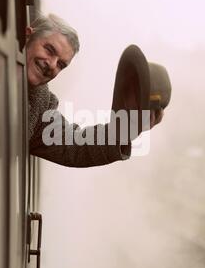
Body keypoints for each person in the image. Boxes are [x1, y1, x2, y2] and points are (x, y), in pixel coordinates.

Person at [26, 13, 163, 168]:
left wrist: (124, 132)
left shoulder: (40, 102)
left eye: (61, 65)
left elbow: (75, 145)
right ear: (27, 36)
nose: (52, 65)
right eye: (49, 50)